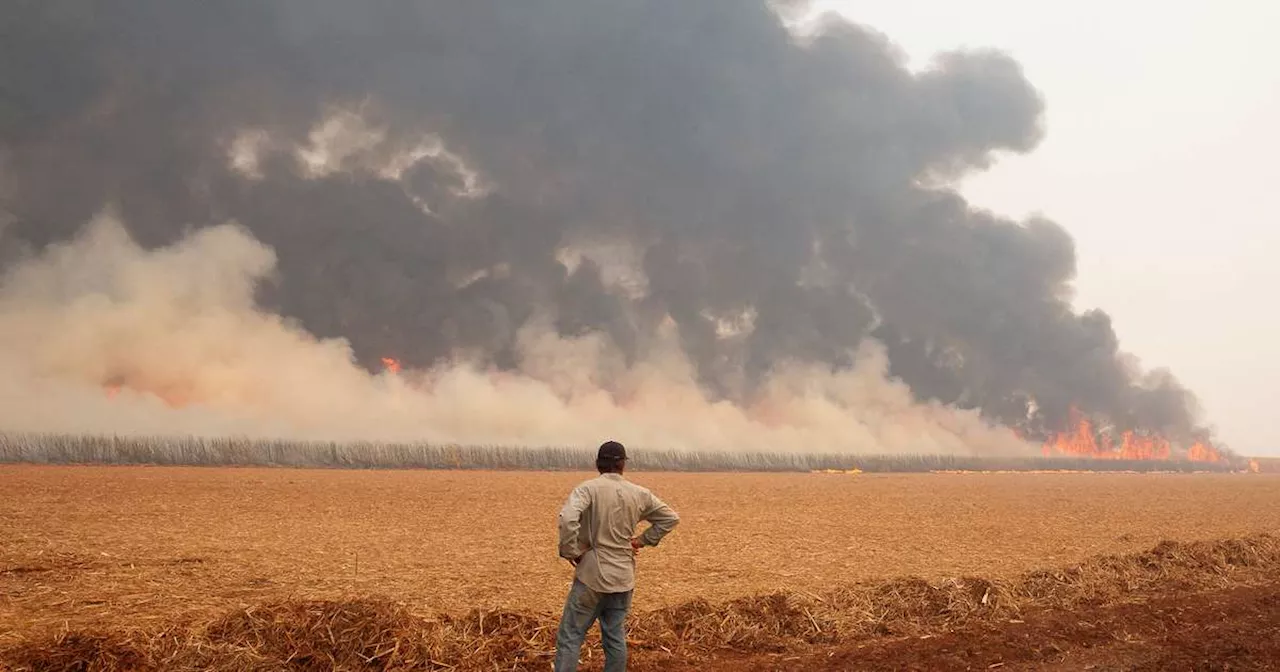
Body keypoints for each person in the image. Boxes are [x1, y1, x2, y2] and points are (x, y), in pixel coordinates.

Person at [554, 440, 680, 672]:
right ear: (622, 464)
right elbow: (670, 518)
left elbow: (568, 518)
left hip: (592, 575)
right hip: (623, 577)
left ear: (597, 464)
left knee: (571, 636)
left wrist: (570, 551)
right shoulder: (639, 493)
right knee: (614, 638)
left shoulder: (587, 489)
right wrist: (641, 540)